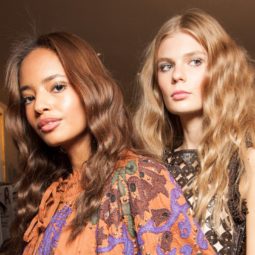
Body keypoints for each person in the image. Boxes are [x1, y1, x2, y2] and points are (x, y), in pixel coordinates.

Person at [3, 32, 215, 255]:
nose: (39, 106)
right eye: (29, 97)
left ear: (90, 88)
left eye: (57, 87)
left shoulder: (140, 179)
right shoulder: (49, 197)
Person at [133, 9, 255, 255]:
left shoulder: (246, 161)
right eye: (166, 66)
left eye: (195, 61)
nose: (178, 76)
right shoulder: (149, 167)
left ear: (221, 71)